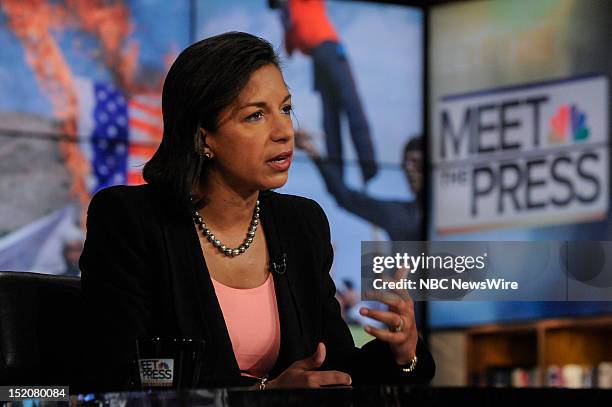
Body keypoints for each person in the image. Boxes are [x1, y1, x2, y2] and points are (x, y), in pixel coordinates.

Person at [79, 31, 434, 392]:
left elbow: (332, 365)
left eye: (286, 109)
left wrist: (401, 352)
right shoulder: (130, 219)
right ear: (204, 137)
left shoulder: (301, 224)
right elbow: (119, 373)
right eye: (255, 116)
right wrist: (261, 396)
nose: (284, 131)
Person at [269, 0, 378, 184]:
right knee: (330, 118)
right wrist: (286, 22)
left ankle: (368, 165)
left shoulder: (304, 3)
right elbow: (289, 50)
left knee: (351, 104)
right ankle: (337, 175)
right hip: (318, 60)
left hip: (330, 49)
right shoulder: (290, 17)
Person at [295, 129, 424, 241]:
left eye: (416, 162)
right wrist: (313, 152)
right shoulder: (399, 216)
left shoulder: (406, 217)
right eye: (405, 164)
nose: (409, 170)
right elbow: (345, 196)